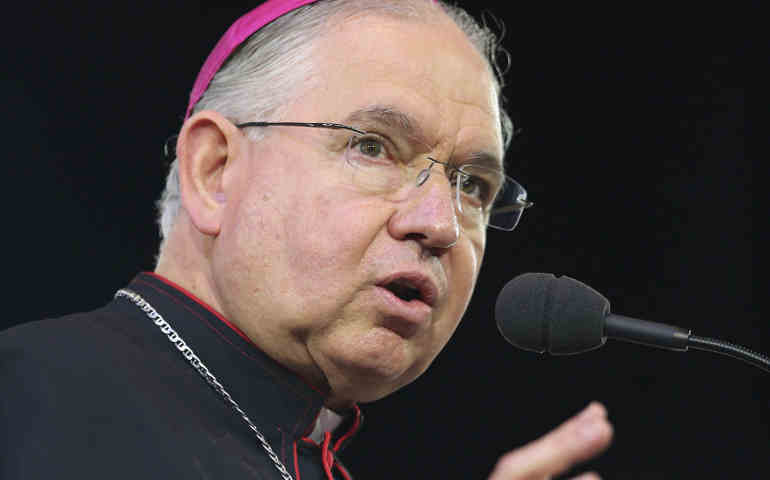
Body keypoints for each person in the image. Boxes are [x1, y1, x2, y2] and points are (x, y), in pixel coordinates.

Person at [0, 1, 612, 479]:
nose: (441, 223)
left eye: (475, 186)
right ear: (215, 171)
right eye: (372, 147)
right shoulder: (29, 398)